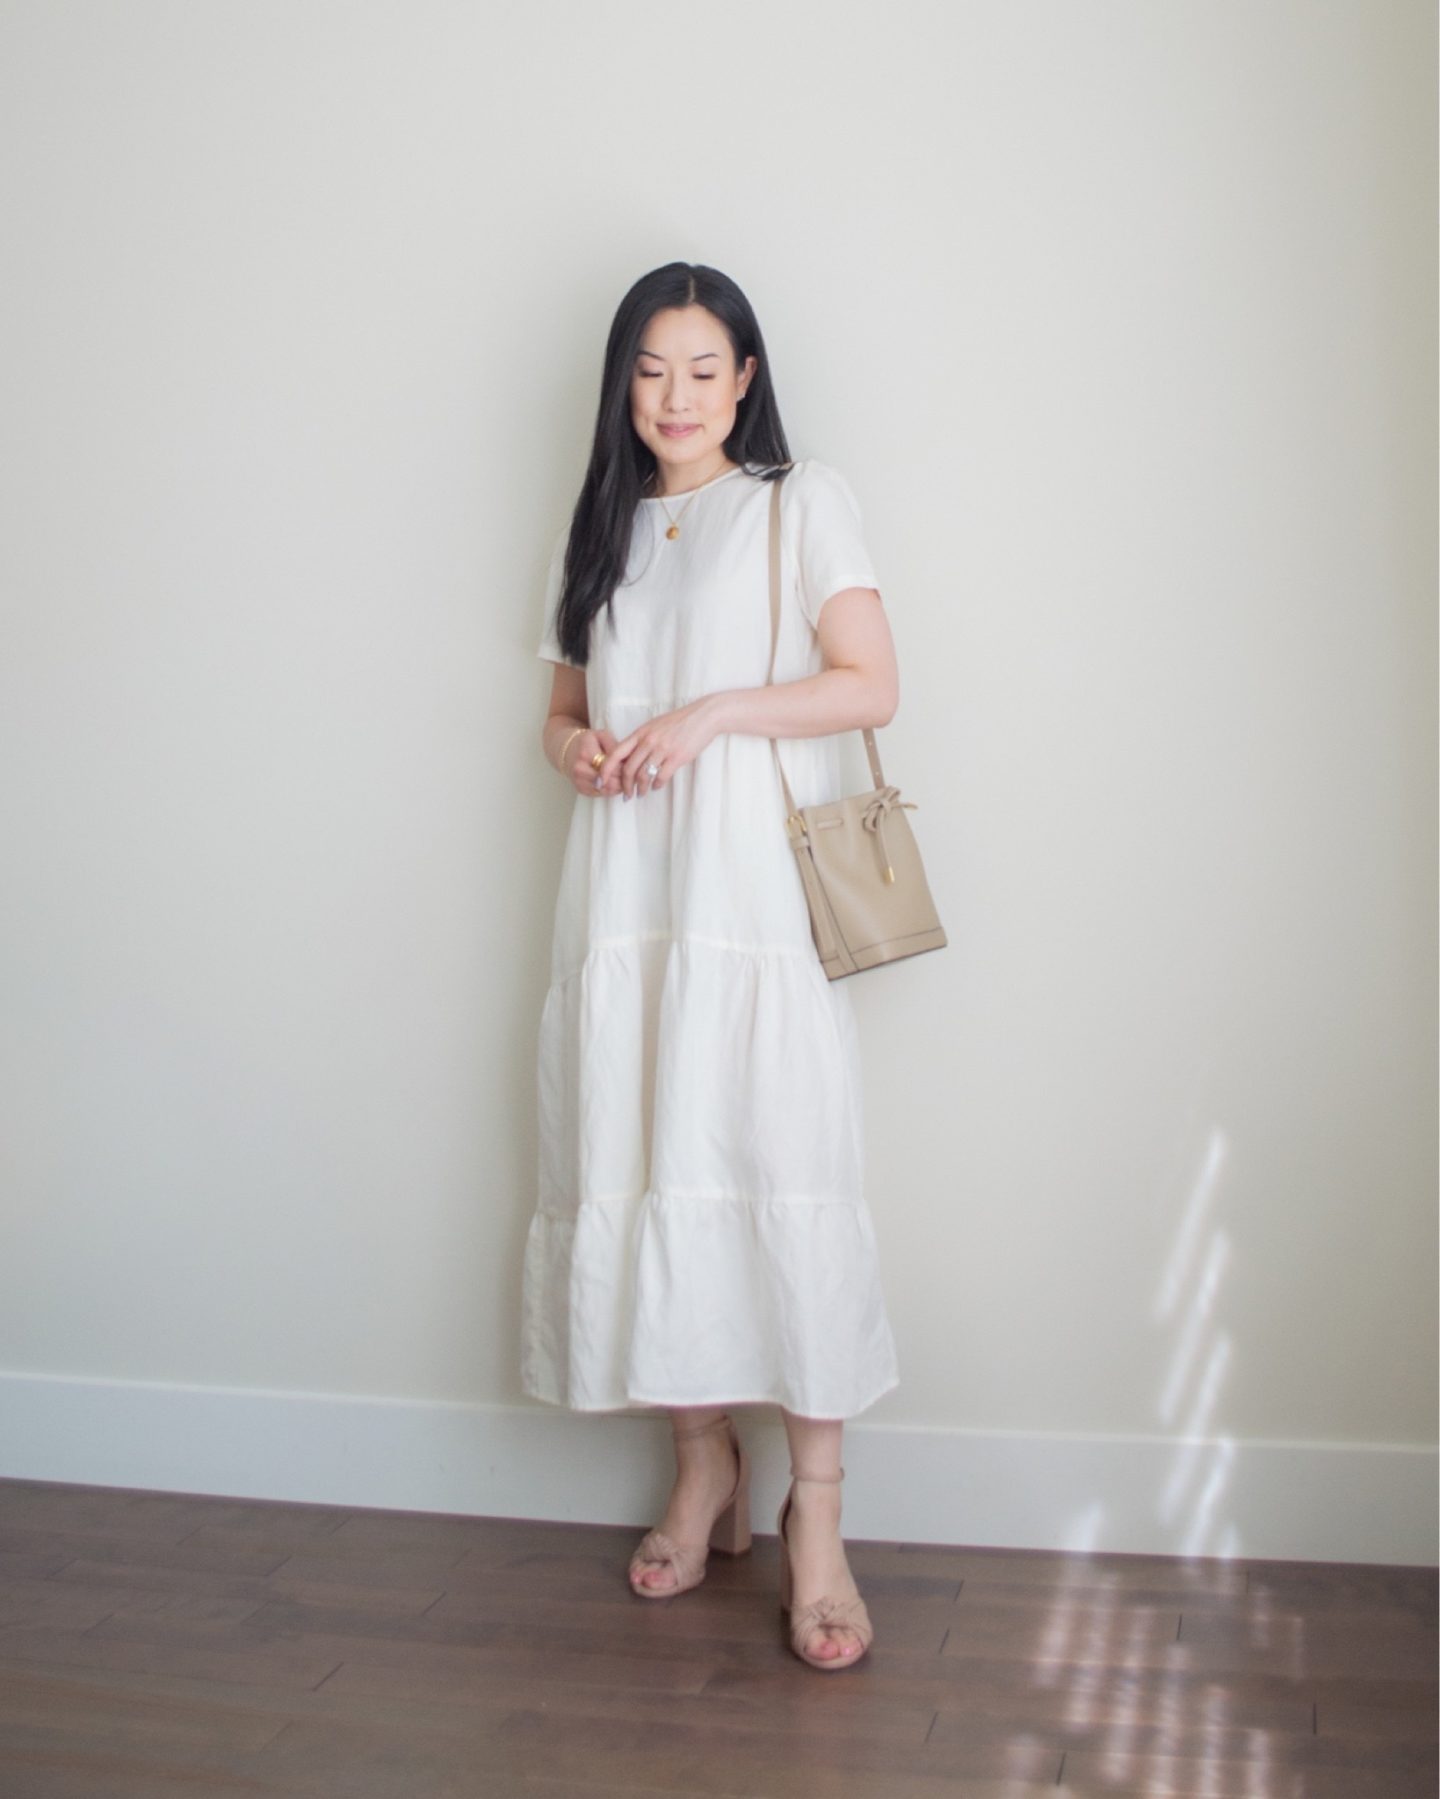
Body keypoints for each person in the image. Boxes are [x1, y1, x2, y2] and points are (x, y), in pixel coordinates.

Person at [523, 261, 901, 1671]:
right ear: (623, 385)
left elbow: (870, 683)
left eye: (702, 368)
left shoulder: (802, 501)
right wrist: (580, 746)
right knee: (645, 1156)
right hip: (627, 899)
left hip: (750, 904)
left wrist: (711, 715)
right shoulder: (603, 527)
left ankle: (819, 1519)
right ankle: (704, 1471)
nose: (674, 397)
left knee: (778, 1165)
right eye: (649, 371)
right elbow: (561, 708)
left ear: (745, 377)